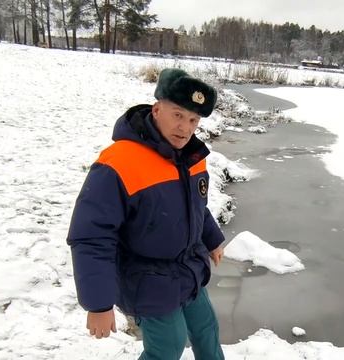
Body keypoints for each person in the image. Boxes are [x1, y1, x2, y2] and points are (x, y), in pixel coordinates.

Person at [67, 68, 226, 360]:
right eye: (177, 115)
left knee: (206, 329)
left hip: (187, 268)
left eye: (193, 120)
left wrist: (212, 239)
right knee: (168, 345)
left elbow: (196, 208)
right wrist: (98, 304)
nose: (185, 127)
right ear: (157, 110)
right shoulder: (119, 162)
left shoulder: (191, 157)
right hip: (146, 277)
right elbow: (91, 235)